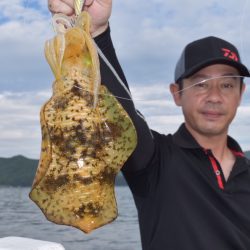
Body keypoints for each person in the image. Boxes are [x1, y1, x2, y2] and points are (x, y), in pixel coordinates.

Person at [48, 1, 250, 249]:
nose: (215, 96)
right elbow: (123, 115)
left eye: (227, 85)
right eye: (200, 83)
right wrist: (96, 32)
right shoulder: (156, 159)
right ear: (177, 93)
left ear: (241, 94)